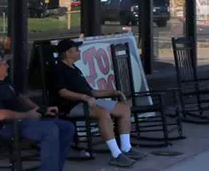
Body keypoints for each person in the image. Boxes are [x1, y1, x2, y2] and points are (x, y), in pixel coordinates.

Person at [51, 38, 146, 168]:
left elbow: (92, 92)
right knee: (103, 113)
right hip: (71, 105)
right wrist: (83, 97)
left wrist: (113, 92)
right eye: (76, 50)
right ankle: (116, 154)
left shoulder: (75, 68)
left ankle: (126, 148)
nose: (79, 52)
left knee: (123, 109)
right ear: (68, 53)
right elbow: (63, 92)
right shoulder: (59, 69)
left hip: (89, 101)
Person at [0, 51, 74, 171]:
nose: (8, 66)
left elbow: (21, 97)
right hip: (3, 127)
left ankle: (53, 168)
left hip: (22, 121)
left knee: (67, 127)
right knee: (49, 130)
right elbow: (0, 115)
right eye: (4, 63)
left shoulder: (4, 80)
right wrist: (27, 115)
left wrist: (41, 110)